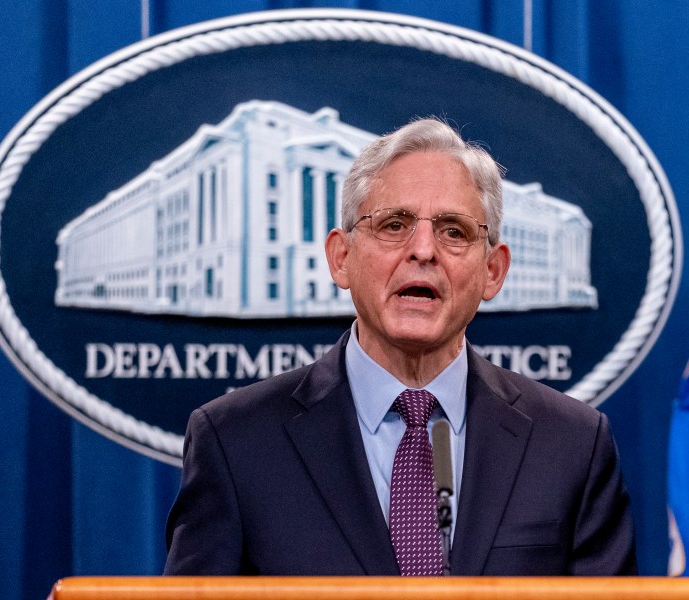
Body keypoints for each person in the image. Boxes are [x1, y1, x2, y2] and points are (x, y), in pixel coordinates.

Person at [164, 118, 637, 576]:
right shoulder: (235, 441)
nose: (424, 250)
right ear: (341, 257)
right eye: (394, 225)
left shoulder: (572, 444)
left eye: (454, 231)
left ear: (493, 270)